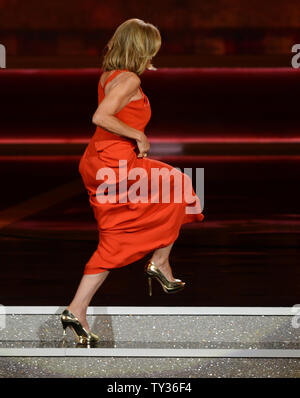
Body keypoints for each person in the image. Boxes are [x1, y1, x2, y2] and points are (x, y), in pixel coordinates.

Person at [60, 18, 204, 345]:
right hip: (114, 162)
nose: (155, 54)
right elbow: (101, 117)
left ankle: (76, 308)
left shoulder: (112, 76)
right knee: (181, 185)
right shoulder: (128, 79)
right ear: (141, 49)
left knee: (116, 236)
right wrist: (137, 133)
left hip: (102, 160)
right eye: (152, 49)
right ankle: (161, 262)